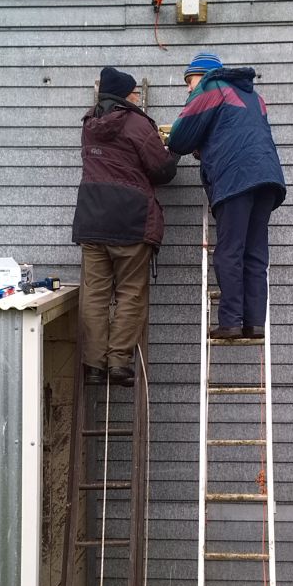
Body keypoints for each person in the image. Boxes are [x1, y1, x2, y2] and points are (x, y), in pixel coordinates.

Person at [167, 52, 286, 339]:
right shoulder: (254, 97)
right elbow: (233, 130)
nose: (188, 87)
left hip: (236, 177)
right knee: (255, 252)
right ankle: (254, 323)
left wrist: (175, 141)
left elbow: (180, 138)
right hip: (267, 177)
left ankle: (231, 322)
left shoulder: (212, 87)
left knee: (230, 251)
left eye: (190, 79)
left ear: (205, 74)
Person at [72, 66, 178, 386]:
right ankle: (119, 363)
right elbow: (160, 170)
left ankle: (93, 366)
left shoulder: (89, 124)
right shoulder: (137, 123)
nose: (137, 97)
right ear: (126, 95)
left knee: (95, 295)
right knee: (131, 292)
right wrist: (171, 149)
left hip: (92, 219)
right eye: (133, 93)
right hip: (131, 220)